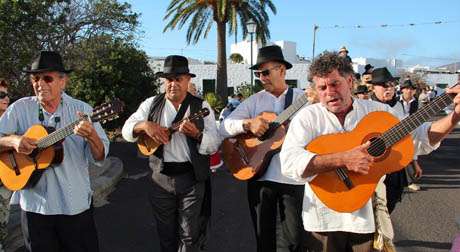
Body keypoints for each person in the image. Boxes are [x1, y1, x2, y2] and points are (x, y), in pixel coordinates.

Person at [280, 51, 460, 252]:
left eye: (334, 84)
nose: (329, 92)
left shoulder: (379, 112)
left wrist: (454, 117)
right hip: (323, 220)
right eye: (322, 87)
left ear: (350, 81)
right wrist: (343, 159)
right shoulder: (308, 117)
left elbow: (420, 138)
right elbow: (289, 162)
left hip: (367, 217)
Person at [0, 51, 109, 252]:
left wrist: (92, 136)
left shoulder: (83, 110)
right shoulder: (19, 108)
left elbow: (100, 156)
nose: (40, 83)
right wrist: (13, 140)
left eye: (47, 78)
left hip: (74, 207)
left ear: (63, 81)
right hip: (35, 208)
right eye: (36, 78)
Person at [122, 55, 220, 252]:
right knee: (165, 233)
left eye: (179, 79)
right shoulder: (151, 104)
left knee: (189, 234)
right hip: (160, 178)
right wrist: (144, 125)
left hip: (191, 177)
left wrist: (197, 134)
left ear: (188, 80)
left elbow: (214, 143)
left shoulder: (201, 107)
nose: (173, 83)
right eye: (169, 79)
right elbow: (126, 130)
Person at [219, 45, 306, 252]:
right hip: (259, 175)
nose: (261, 78)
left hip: (293, 178)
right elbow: (223, 127)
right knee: (263, 237)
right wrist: (248, 124)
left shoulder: (304, 98)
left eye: (265, 72)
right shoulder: (254, 101)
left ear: (282, 71)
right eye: (258, 74)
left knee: (294, 239)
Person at [369, 68, 419, 213]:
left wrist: (414, 161)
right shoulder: (363, 105)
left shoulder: (399, 105)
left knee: (390, 203)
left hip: (394, 164)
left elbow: (409, 135)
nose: (389, 88)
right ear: (373, 87)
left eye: (391, 84)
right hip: (371, 167)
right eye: (384, 85)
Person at [398, 79, 423, 192]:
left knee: (408, 155)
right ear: (402, 89)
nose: (409, 91)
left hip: (411, 132)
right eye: (407, 88)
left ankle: (409, 181)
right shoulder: (395, 101)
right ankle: (407, 181)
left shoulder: (417, 103)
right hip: (395, 131)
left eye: (412, 89)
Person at [0, 79, 11, 251]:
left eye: (8, 94)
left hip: (4, 186)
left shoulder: (10, 120)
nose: (7, 98)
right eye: (2, 95)